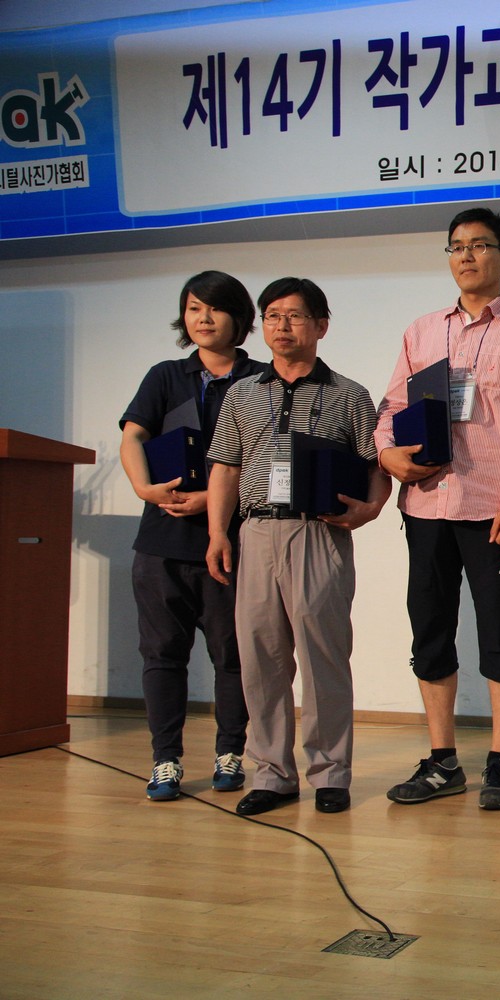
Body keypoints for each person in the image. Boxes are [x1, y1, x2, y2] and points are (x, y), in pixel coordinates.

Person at [375, 207, 500, 810]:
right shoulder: (422, 330)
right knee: (430, 631)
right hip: (426, 505)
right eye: (457, 246)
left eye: (480, 245)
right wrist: (388, 455)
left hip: (490, 510)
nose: (467, 255)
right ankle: (442, 760)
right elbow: (391, 409)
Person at [205, 277, 389, 816]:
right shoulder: (241, 393)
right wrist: (218, 532)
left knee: (323, 656)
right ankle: (272, 774)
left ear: (321, 326)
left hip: (319, 531)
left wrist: (370, 509)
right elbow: (226, 467)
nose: (281, 326)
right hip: (257, 530)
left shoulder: (349, 394)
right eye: (272, 316)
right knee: (260, 658)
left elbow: (376, 465)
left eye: (294, 315)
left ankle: (330, 773)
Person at [120, 271, 266, 801]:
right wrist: (144, 487)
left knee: (233, 655)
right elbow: (133, 435)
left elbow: (272, 460)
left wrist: (214, 500)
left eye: (214, 308)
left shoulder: (262, 379)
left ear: (239, 317)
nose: (203, 319)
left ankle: (230, 753)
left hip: (232, 541)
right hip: (161, 543)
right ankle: (165, 760)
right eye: (193, 308)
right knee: (162, 655)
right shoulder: (165, 375)